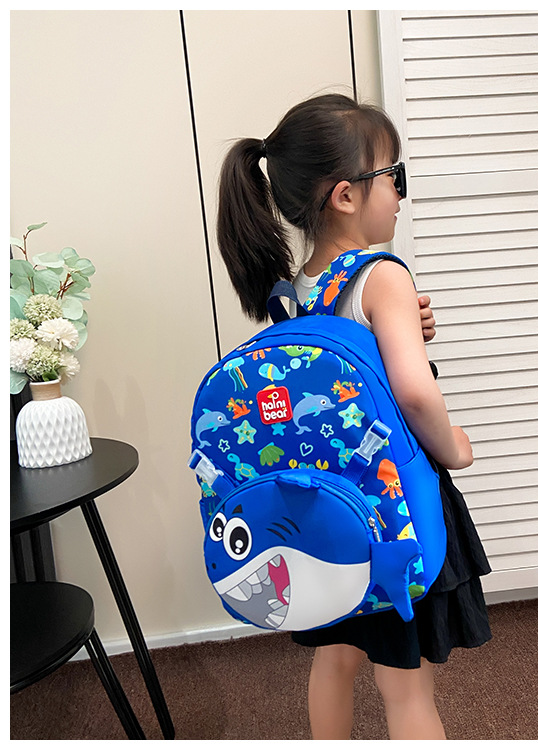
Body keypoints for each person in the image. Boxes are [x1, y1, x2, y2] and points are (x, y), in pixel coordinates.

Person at [215, 93, 491, 740]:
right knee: (405, 687)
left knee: (335, 661)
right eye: (394, 176)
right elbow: (413, 394)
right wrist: (454, 447)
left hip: (323, 517)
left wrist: (405, 329)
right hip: (390, 514)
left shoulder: (291, 292)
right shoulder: (382, 276)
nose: (399, 194)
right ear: (345, 195)